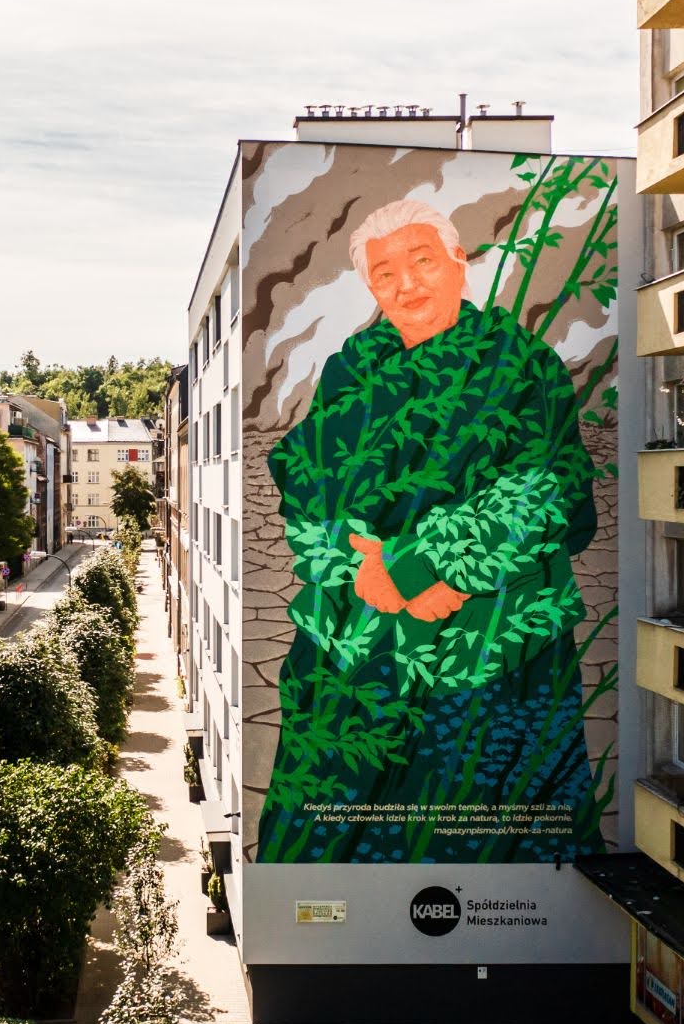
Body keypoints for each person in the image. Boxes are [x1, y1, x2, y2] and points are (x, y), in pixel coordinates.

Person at [258, 197, 606, 865]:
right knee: (330, 845)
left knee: (489, 842)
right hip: (357, 653)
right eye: (384, 273)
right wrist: (359, 569)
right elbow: (304, 482)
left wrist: (417, 567)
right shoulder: (352, 369)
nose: (406, 283)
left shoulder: (521, 365)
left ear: (459, 265)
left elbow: (552, 493)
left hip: (491, 660)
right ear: (370, 288)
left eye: (422, 262)